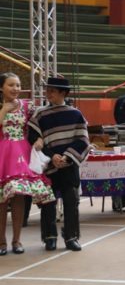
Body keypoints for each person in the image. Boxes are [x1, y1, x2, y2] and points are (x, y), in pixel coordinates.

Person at [28, 77, 90, 252]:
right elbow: (33, 138)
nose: (48, 94)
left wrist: (67, 157)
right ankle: (50, 237)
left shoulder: (75, 114)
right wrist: (51, 156)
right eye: (47, 90)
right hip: (48, 165)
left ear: (63, 93)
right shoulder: (40, 114)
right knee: (48, 202)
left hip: (69, 166)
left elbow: (83, 140)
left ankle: (71, 236)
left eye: (52, 91)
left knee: (71, 201)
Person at [0, 73, 56, 255]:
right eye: (11, 85)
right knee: (1, 200)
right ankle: (1, 242)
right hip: (3, 154)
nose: (15, 88)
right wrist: (3, 110)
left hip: (21, 155)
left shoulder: (27, 106)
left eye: (18, 85)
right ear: (1, 87)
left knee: (19, 197)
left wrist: (39, 138)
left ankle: (16, 241)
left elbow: (39, 126)